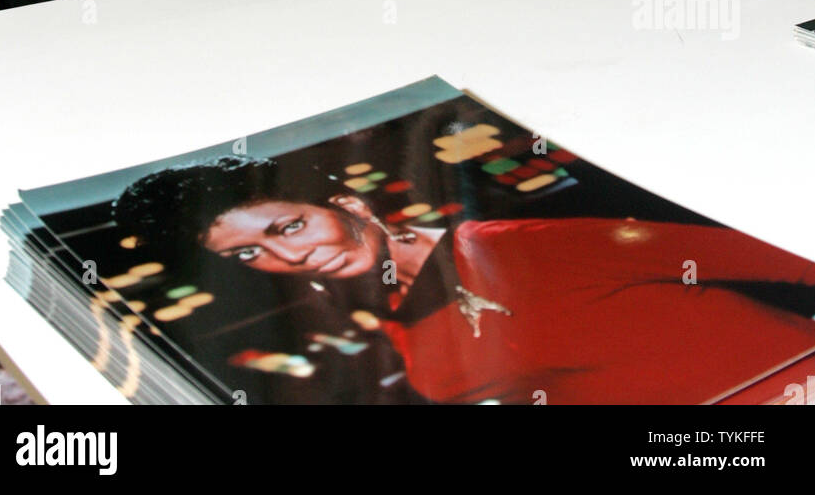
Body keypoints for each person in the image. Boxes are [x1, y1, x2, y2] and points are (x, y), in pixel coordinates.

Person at [114, 159, 815, 405]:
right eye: (247, 257)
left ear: (347, 205)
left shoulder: (509, 246)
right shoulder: (398, 341)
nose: (285, 258)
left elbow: (775, 256)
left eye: (287, 227)